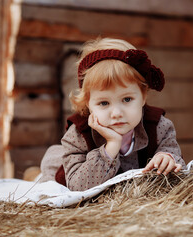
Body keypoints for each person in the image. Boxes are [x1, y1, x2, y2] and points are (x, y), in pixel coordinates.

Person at [39, 37, 185, 191]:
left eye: (127, 99)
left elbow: (175, 156)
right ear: (88, 103)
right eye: (104, 103)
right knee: (48, 175)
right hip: (63, 171)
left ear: (143, 96)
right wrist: (112, 146)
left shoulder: (158, 126)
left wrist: (167, 158)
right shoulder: (78, 134)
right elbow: (78, 187)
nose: (116, 113)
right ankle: (33, 175)